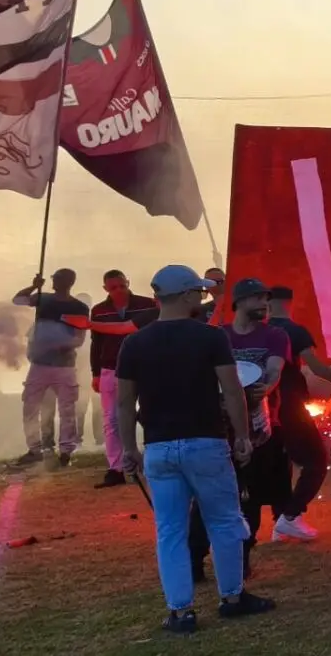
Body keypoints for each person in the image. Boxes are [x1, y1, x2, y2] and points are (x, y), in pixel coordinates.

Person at [115, 265, 274, 633]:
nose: (202, 297)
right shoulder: (210, 337)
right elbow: (232, 389)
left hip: (159, 447)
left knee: (170, 529)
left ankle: (180, 611)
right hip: (206, 443)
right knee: (223, 520)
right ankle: (232, 597)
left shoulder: (134, 343)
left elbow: (124, 403)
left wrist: (128, 448)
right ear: (185, 295)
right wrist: (242, 435)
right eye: (198, 292)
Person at [188, 279, 291, 576]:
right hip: (218, 428)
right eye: (257, 298)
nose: (264, 303)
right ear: (239, 302)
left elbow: (274, 370)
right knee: (208, 494)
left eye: (266, 298)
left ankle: (241, 560)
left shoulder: (275, 335)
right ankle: (195, 559)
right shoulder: (218, 336)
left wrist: (266, 388)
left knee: (250, 497)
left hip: (259, 428)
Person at [265, 286, 331, 540]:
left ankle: (280, 521)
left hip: (263, 408)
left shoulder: (259, 331)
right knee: (316, 461)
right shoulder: (294, 332)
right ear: (291, 302)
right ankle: (290, 516)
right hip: (289, 407)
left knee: (281, 464)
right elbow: (319, 368)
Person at [84, 270, 158, 487]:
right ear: (105, 289)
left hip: (145, 366)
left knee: (150, 414)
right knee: (112, 420)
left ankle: (150, 462)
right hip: (111, 368)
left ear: (128, 283)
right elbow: (96, 343)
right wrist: (96, 373)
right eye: (113, 287)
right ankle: (116, 468)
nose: (118, 291)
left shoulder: (147, 305)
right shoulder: (99, 310)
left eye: (121, 286)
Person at [11, 269, 90, 467]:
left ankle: (65, 451)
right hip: (40, 364)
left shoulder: (78, 307)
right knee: (30, 406)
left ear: (69, 282)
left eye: (59, 279)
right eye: (55, 279)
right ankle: (34, 448)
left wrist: (59, 345)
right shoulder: (42, 299)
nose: (55, 282)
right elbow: (18, 300)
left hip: (64, 366)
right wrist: (34, 286)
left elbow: (79, 338)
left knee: (66, 409)